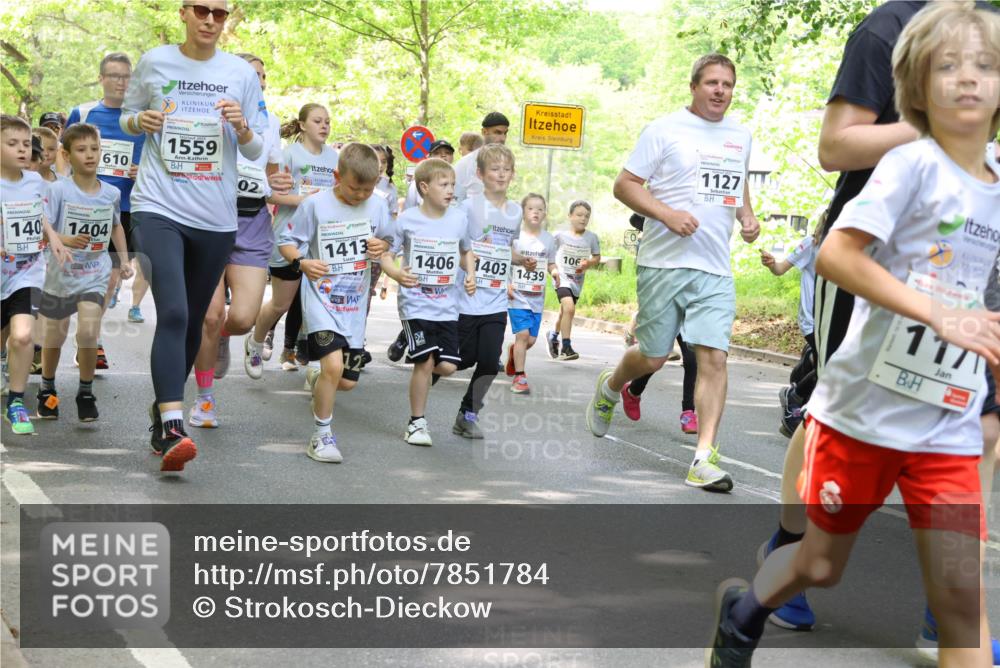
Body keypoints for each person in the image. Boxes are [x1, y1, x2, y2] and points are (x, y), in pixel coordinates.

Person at [708, 5, 1000, 666]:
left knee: (961, 609)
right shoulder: (911, 165)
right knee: (818, 564)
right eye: (948, 66)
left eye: (986, 66)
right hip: (864, 418)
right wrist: (937, 314)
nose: (969, 80)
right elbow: (838, 256)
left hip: (947, 432)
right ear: (917, 88)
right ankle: (746, 607)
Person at [586, 53, 760, 492]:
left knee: (714, 357)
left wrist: (746, 215)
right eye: (713, 83)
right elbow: (624, 184)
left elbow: (736, 180)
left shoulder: (740, 135)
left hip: (714, 267)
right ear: (694, 86)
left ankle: (704, 457)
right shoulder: (663, 130)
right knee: (654, 356)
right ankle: (611, 385)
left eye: (728, 84)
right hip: (663, 262)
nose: (721, 90)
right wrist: (665, 214)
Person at [120, 0, 268, 472]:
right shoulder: (155, 60)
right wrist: (138, 121)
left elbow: (258, 146)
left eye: (220, 13)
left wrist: (242, 126)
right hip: (157, 206)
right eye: (201, 9)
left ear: (229, 18)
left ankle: (164, 409)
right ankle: (172, 426)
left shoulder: (239, 73)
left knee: (188, 327)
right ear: (183, 12)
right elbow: (127, 116)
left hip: (215, 218)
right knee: (178, 311)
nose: (209, 19)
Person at [275, 143, 391, 462]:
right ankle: (322, 436)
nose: (360, 195)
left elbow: (388, 240)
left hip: (354, 307)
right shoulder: (315, 205)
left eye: (368, 189)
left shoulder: (378, 206)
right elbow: (286, 241)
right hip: (320, 300)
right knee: (333, 366)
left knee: (347, 382)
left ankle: (320, 378)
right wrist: (302, 263)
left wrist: (382, 245)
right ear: (338, 176)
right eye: (355, 188)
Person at [189, 52, 282, 427]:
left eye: (262, 76)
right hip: (210, 217)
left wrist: (279, 185)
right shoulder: (204, 107)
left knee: (241, 318)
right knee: (210, 316)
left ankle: (225, 336)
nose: (257, 81)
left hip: (252, 221)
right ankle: (205, 400)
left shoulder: (270, 122)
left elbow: (272, 174)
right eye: (251, 74)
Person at [35, 123, 132, 422]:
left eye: (94, 149)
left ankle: (85, 392)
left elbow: (116, 225)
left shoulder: (112, 193)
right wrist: (66, 240)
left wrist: (124, 260)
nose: (89, 155)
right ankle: (47, 388)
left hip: (95, 272)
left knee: (89, 331)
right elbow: (45, 226)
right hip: (61, 273)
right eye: (81, 150)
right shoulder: (58, 190)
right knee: (55, 337)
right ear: (67, 154)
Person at [381, 157, 476, 446]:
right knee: (424, 361)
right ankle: (416, 423)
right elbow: (387, 255)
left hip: (447, 305)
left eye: (453, 185)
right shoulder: (407, 220)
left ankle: (416, 365)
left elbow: (465, 251)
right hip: (415, 304)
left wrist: (470, 274)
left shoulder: (459, 218)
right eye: (443, 184)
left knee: (446, 366)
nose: (450, 190)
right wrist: (397, 273)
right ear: (424, 187)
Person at [65, 52, 149, 364]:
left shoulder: (141, 117)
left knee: (110, 276)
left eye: (126, 76)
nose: (120, 82)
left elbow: (158, 157)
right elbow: (64, 153)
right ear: (101, 78)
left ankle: (91, 339)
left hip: (125, 206)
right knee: (76, 274)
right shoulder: (83, 112)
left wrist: (143, 171)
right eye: (114, 75)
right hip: (84, 206)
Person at [245, 103, 338, 380]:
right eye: (318, 121)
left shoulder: (335, 159)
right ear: (302, 125)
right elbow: (270, 195)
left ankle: (317, 366)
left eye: (328, 122)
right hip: (288, 236)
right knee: (280, 304)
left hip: (321, 241)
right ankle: (255, 342)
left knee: (319, 304)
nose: (324, 126)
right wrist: (305, 201)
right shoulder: (289, 156)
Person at [1, 114, 71, 435]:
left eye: (26, 144)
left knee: (24, 335)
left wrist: (54, 239)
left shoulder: (35, 182)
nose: (21, 149)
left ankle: (16, 402)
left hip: (27, 271)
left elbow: (40, 214)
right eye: (11, 143)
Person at [452, 144, 524, 439]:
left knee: (490, 361)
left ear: (513, 174)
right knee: (462, 359)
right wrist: (467, 267)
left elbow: (505, 250)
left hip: (495, 300)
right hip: (466, 298)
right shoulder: (467, 208)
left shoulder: (516, 211)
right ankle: (424, 382)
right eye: (494, 169)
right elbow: (456, 246)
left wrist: (523, 261)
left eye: (506, 169)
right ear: (480, 174)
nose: (501, 174)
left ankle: (468, 415)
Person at [760, 216, 822, 437]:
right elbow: (780, 269)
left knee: (829, 362)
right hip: (813, 321)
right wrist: (771, 263)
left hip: (833, 319)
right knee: (829, 365)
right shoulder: (811, 244)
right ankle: (795, 397)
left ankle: (805, 374)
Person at [504, 193, 557, 394]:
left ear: (544, 214)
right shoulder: (515, 236)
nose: (535, 212)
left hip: (537, 297)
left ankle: (514, 353)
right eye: (531, 208)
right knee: (523, 335)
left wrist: (555, 272)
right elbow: (505, 260)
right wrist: (506, 284)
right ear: (523, 212)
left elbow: (551, 262)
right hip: (516, 295)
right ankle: (520, 377)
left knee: (530, 340)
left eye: (540, 209)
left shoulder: (549, 239)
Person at [546, 200, 601, 361]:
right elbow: (547, 253)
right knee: (569, 308)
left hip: (577, 281)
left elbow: (597, 257)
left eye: (586, 216)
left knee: (565, 312)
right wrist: (553, 269)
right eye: (579, 215)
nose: (583, 219)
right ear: (570, 216)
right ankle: (566, 347)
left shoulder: (591, 237)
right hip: (561, 278)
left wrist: (588, 263)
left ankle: (553, 335)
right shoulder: (559, 236)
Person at [452, 112, 510, 203]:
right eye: (497, 132)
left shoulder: (505, 164)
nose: (502, 138)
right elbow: (454, 201)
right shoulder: (465, 164)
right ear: (484, 132)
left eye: (505, 133)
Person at [402, 139, 455, 211]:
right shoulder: (417, 183)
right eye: (437, 153)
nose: (443, 155)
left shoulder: (461, 181)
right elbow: (408, 210)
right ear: (429, 157)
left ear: (452, 157)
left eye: (448, 153)